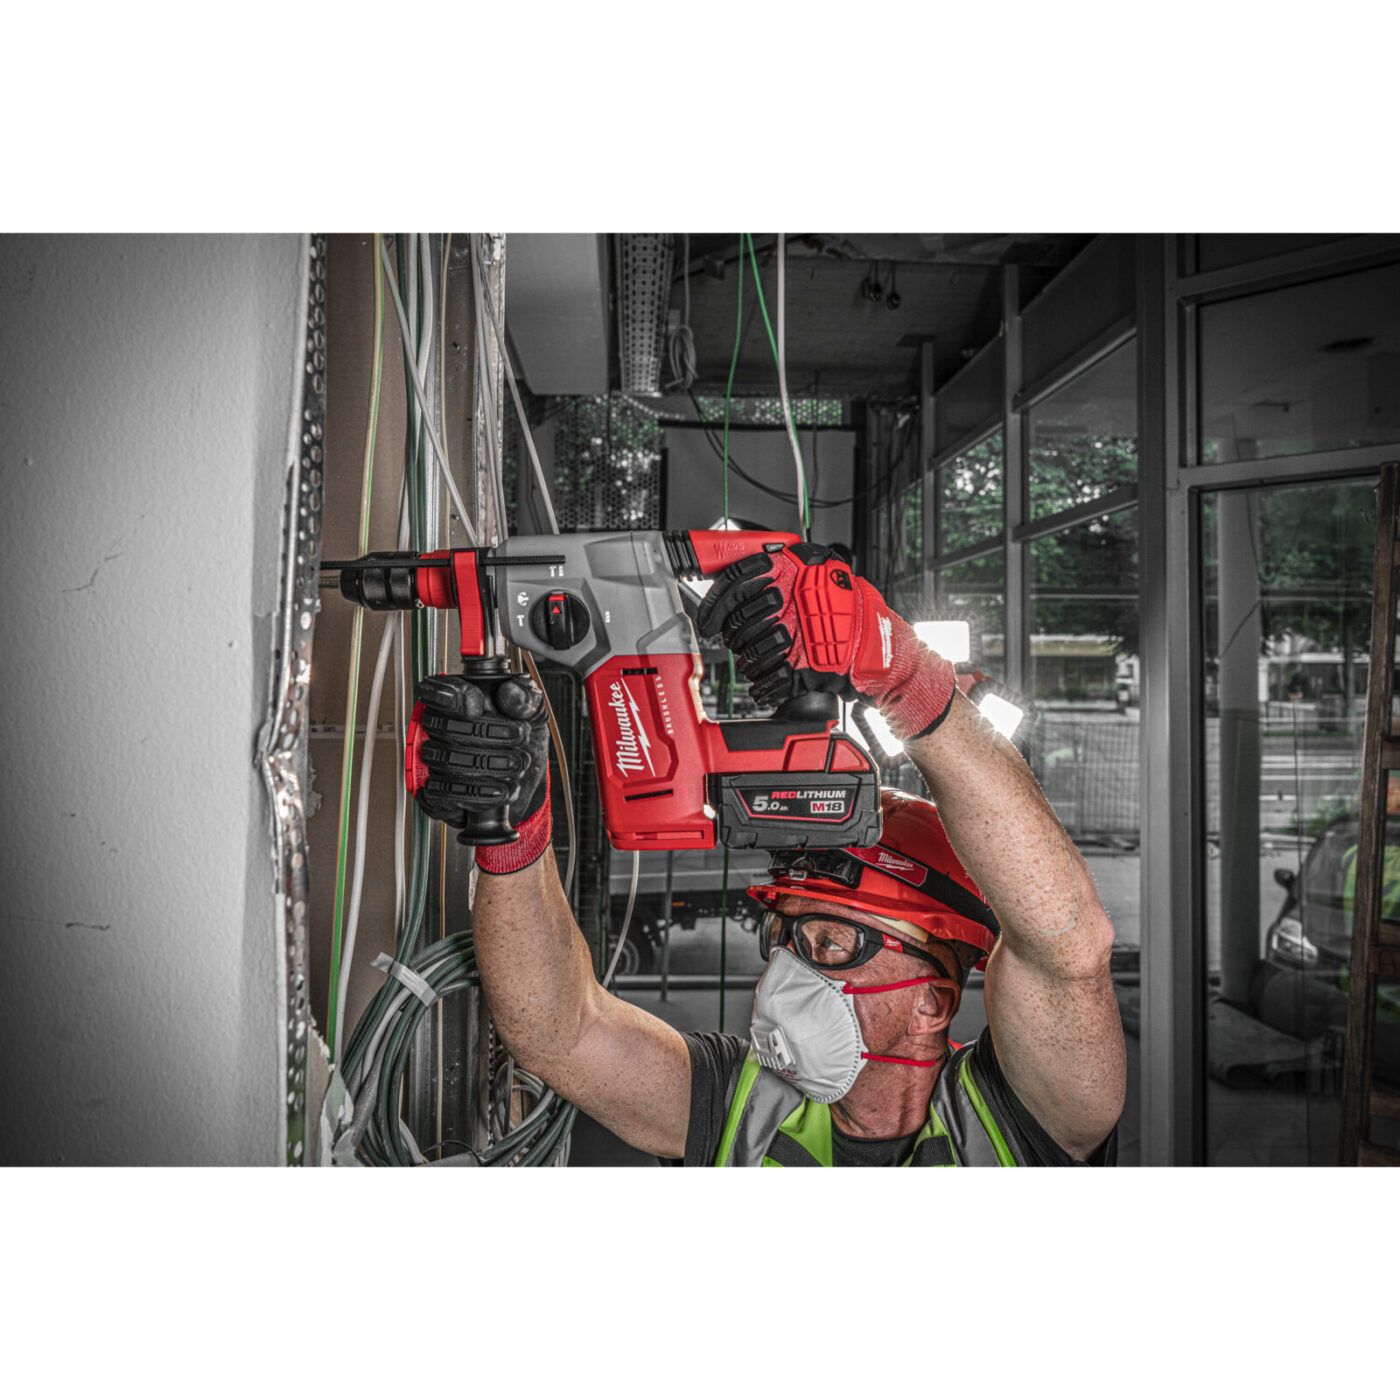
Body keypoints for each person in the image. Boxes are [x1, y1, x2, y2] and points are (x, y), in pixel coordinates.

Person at [412, 544, 1126, 1165]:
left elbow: (1067, 946)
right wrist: (511, 832)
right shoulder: (741, 1105)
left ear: (932, 1003)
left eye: (830, 944)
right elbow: (560, 1032)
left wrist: (905, 675)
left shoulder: (1023, 1128)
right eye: (785, 936)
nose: (785, 972)